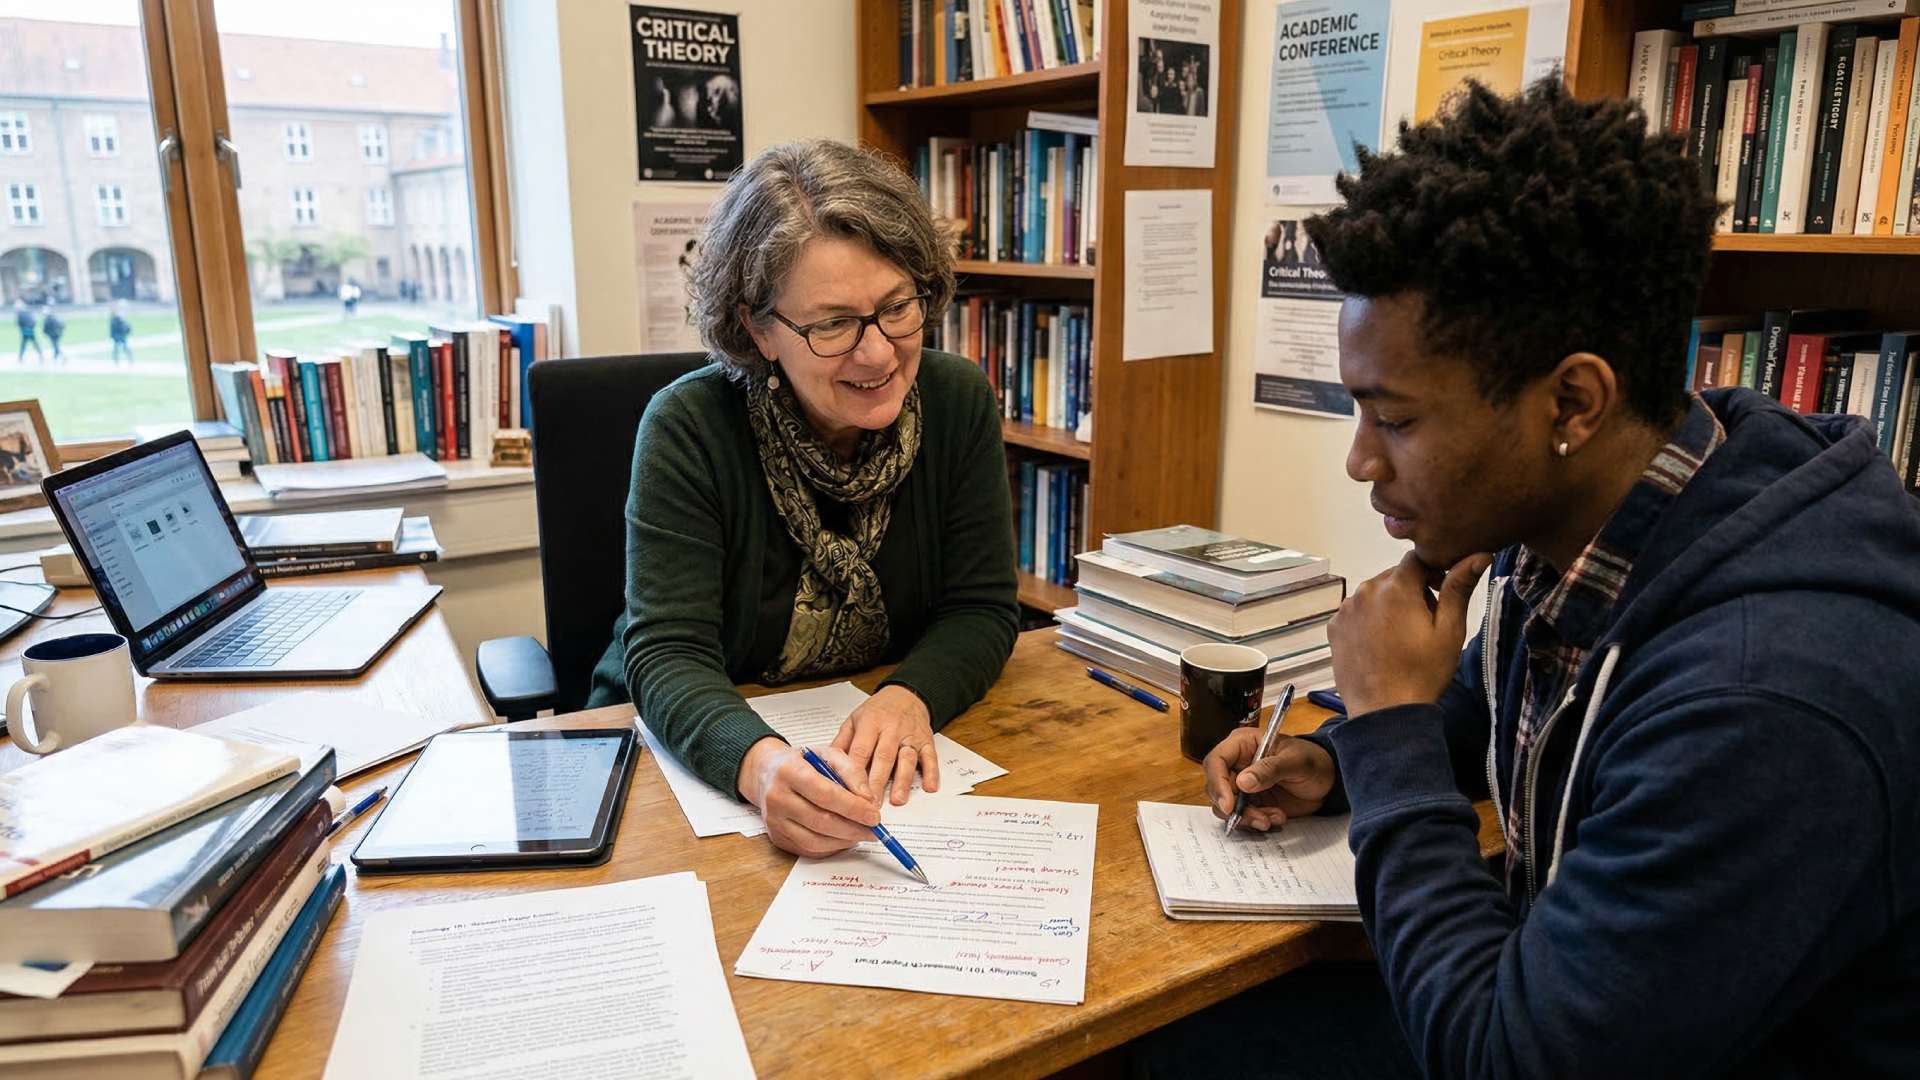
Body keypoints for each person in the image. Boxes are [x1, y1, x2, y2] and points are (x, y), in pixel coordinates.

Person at [1137, 78, 1920, 1078]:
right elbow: (1518, 710)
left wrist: (1389, 732)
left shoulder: (1768, 699)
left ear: (1572, 403)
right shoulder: (1617, 502)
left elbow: (1510, 1063)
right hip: (1571, 1005)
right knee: (1182, 1038)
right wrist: (1343, 763)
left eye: (1400, 420)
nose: (1361, 461)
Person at [586, 138, 1021, 858]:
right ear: (758, 328)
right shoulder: (688, 428)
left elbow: (980, 608)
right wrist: (761, 769)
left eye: (896, 307)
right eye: (832, 325)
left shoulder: (957, 399)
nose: (878, 352)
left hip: (880, 773)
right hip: (679, 764)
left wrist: (911, 695)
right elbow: (667, 653)